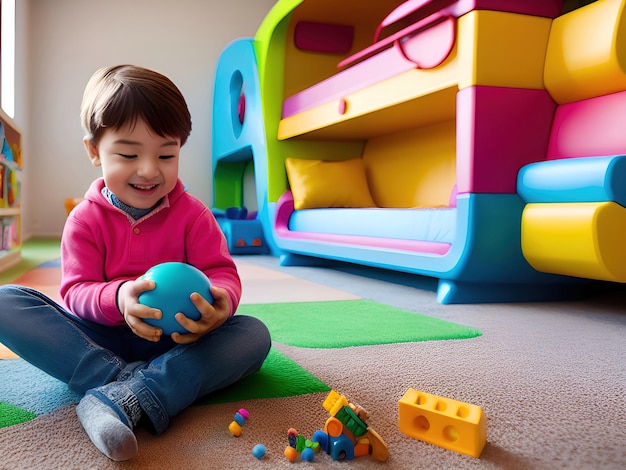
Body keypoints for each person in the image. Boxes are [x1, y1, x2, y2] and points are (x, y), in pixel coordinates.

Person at [0, 65, 272, 461]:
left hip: (177, 340)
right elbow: (76, 291)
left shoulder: (193, 215)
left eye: (166, 154)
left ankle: (122, 395)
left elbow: (222, 273)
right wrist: (119, 299)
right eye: (129, 154)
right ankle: (128, 387)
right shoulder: (84, 220)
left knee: (253, 334)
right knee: (7, 302)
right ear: (94, 151)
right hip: (99, 338)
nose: (149, 170)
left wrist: (218, 306)